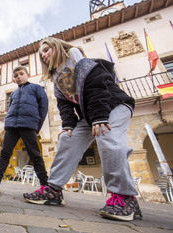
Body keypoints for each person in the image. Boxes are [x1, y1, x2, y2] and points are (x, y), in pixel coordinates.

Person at [23, 37, 142, 222]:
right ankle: (53, 190)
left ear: (57, 47)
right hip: (91, 114)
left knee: (106, 136)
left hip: (113, 105)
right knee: (67, 138)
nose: (43, 55)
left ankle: (125, 198)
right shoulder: (56, 78)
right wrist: (68, 125)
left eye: (46, 50)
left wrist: (100, 117)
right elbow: (64, 104)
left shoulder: (79, 60)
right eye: (41, 55)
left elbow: (96, 84)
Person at [0, 66, 49, 194]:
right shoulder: (13, 94)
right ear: (14, 80)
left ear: (28, 75)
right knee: (5, 153)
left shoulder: (37, 88)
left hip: (28, 125)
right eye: (16, 76)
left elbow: (44, 107)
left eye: (21, 74)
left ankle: (46, 186)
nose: (18, 77)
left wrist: (37, 127)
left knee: (35, 154)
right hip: (11, 126)